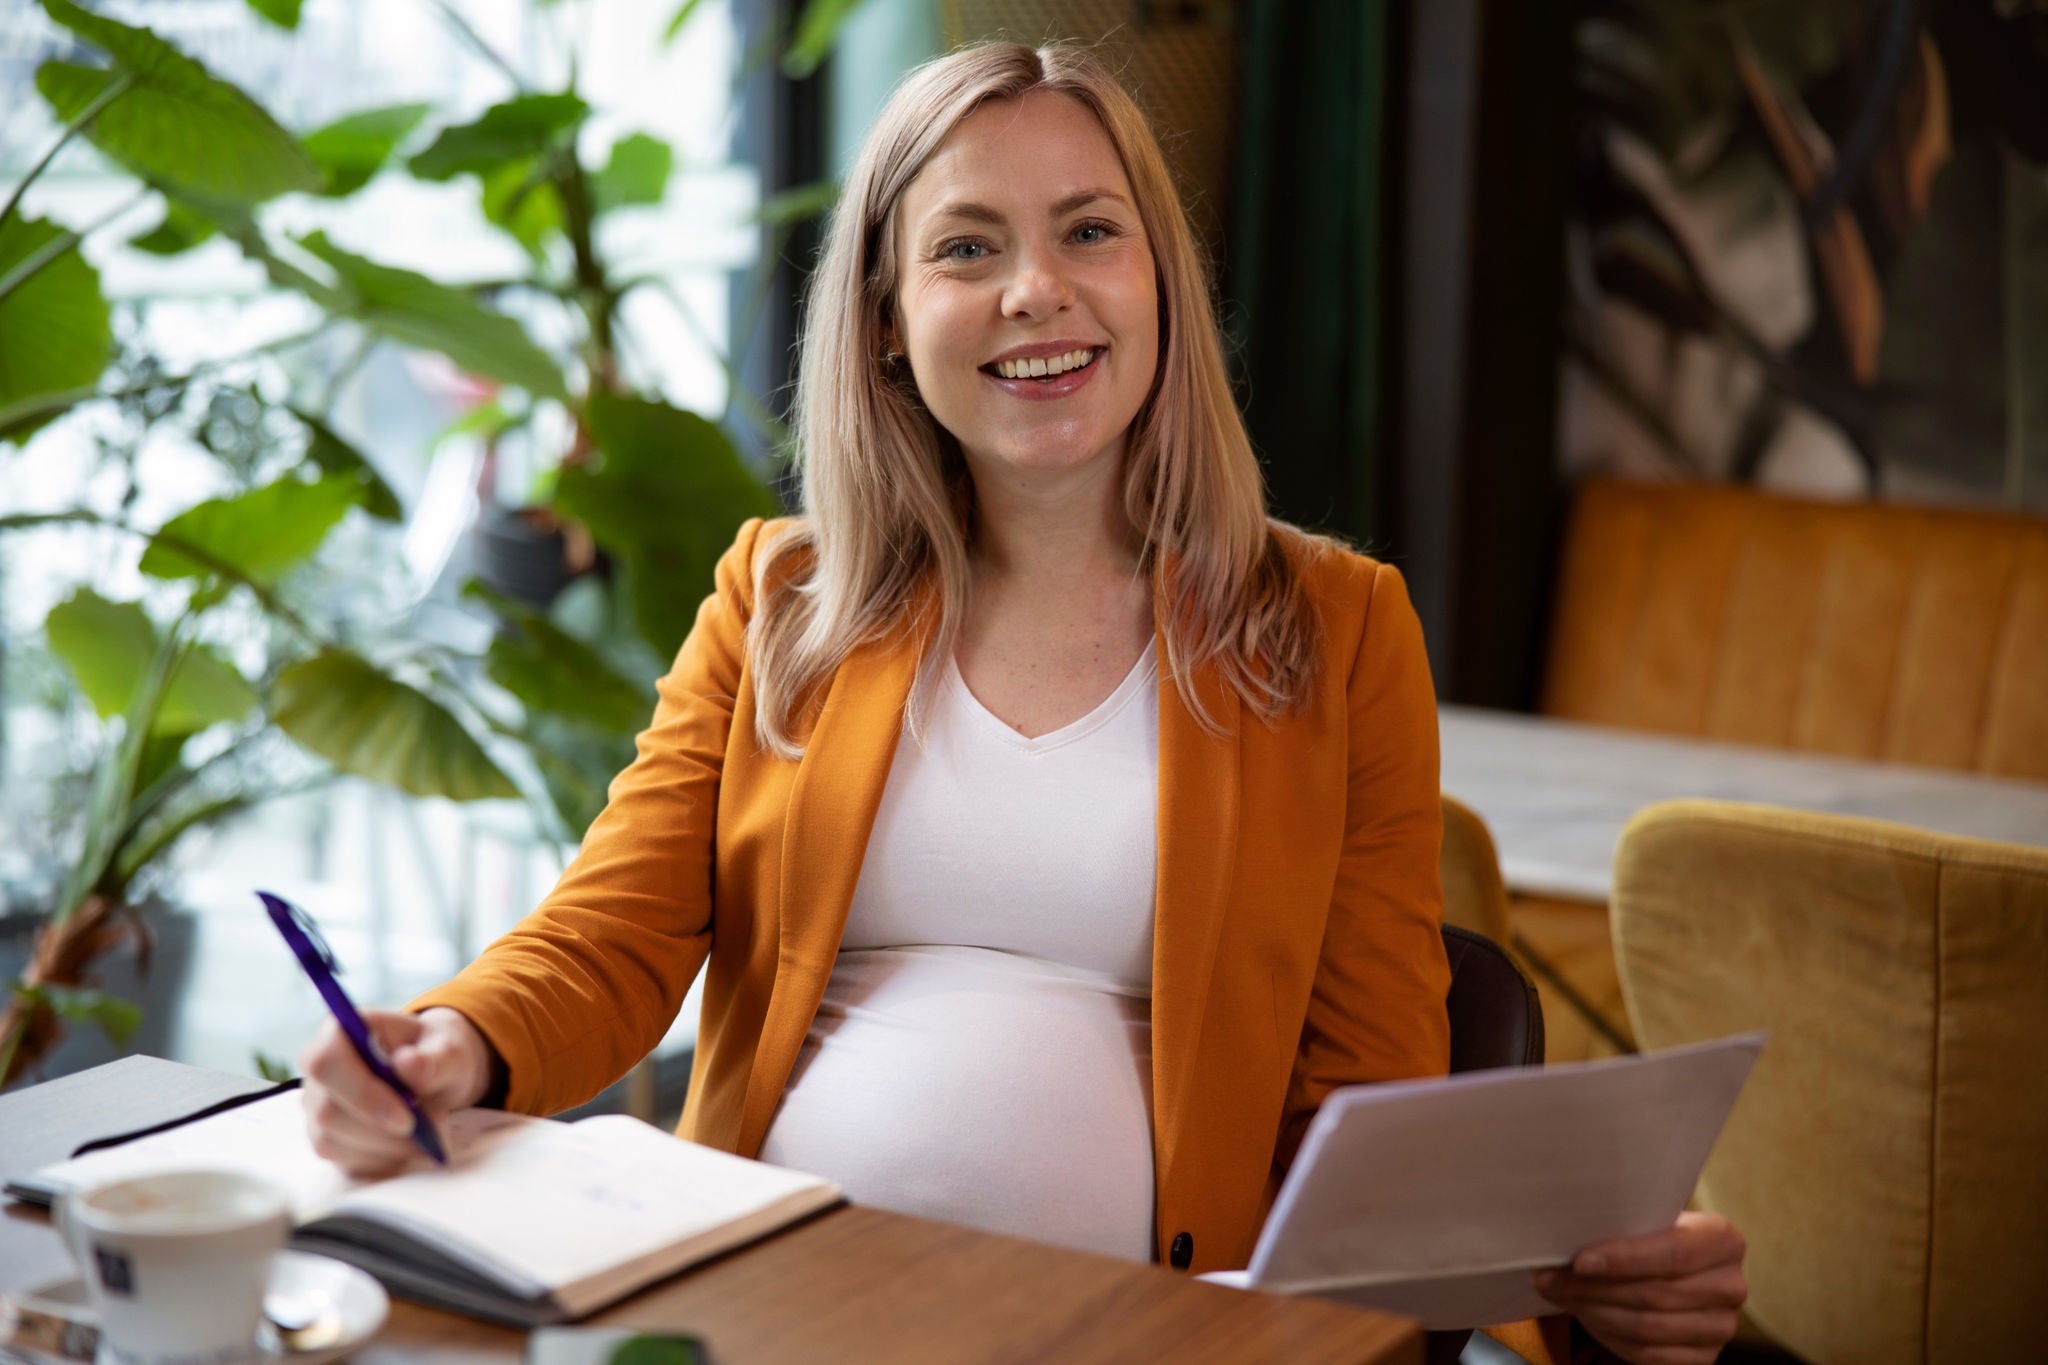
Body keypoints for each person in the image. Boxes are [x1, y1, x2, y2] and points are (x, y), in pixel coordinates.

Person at [299, 42, 1747, 1365]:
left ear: (1159, 280)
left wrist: (1567, 1276)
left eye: (1089, 231)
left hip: (1146, 1334)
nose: (1034, 290)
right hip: (764, 1307)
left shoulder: (1335, 630)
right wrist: (455, 1041)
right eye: (967, 248)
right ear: (885, 321)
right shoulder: (779, 598)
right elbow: (610, 930)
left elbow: (1371, 1099)